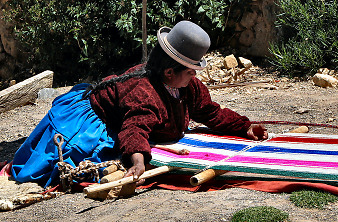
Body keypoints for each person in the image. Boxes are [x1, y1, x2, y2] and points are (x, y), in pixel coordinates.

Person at [11, 20, 268, 188]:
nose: (195, 75)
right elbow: (134, 129)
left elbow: (210, 111)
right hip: (87, 120)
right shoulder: (144, 95)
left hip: (123, 116)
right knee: (58, 165)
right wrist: (137, 161)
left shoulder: (188, 86)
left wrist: (243, 127)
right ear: (169, 72)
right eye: (190, 70)